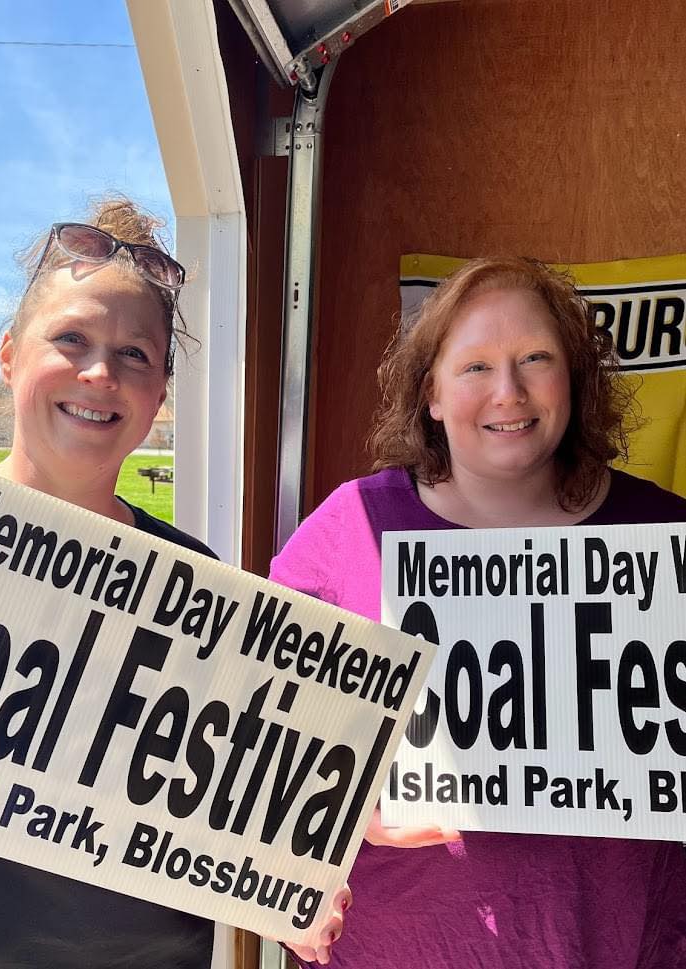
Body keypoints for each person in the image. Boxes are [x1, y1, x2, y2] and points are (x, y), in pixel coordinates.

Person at [0, 197, 347, 968]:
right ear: (8, 354)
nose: (101, 372)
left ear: (160, 392)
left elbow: (230, 813)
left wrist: (286, 884)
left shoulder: (200, 587)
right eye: (70, 338)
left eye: (135, 354)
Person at [270, 256, 686, 968]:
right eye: (474, 367)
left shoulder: (660, 532)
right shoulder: (349, 527)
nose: (507, 391)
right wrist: (323, 830)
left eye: (535, 358)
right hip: (401, 946)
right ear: (429, 391)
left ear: (573, 382)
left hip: (618, 943)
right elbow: (263, 744)